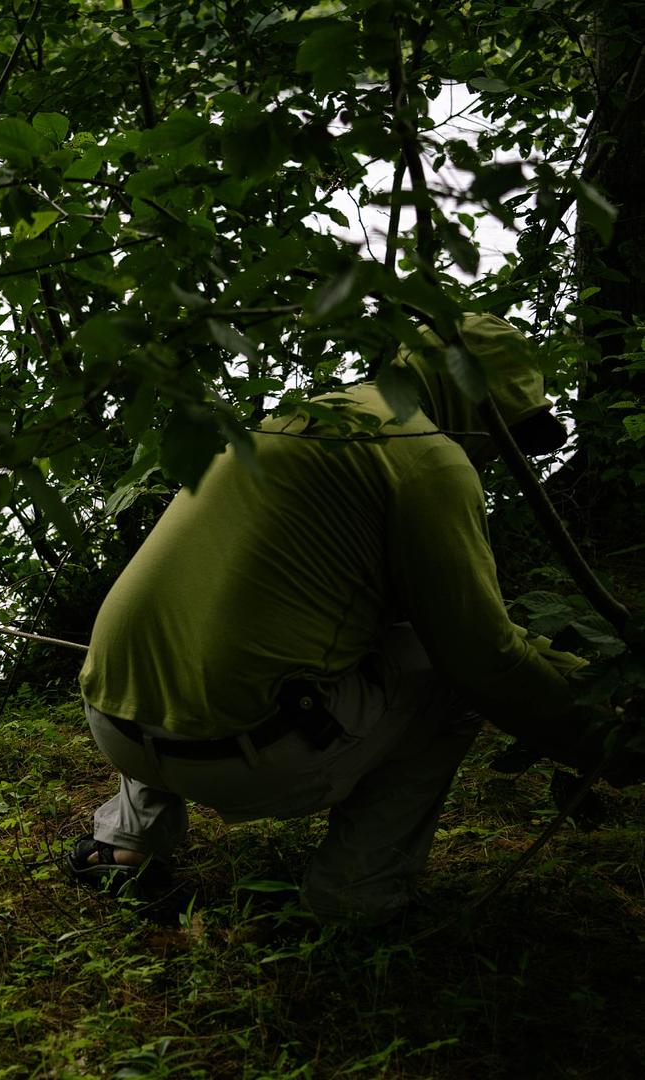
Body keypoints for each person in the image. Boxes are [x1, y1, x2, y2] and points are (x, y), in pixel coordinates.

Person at [70, 313, 591, 925]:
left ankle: (123, 844)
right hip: (241, 752)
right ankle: (356, 896)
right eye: (506, 431)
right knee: (452, 683)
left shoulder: (305, 416)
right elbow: (481, 654)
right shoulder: (426, 458)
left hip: (112, 718)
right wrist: (599, 735)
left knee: (199, 625)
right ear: (478, 402)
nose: (497, 456)